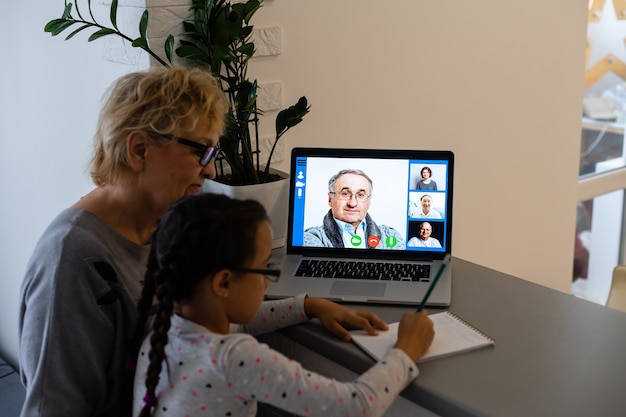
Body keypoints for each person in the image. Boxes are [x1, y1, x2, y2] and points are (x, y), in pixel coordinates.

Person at [18, 66, 231, 417]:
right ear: (140, 149)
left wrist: (304, 306)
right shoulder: (72, 261)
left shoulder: (163, 226)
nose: (210, 170)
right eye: (201, 152)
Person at [132, 193, 435, 417]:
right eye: (265, 268)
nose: (269, 281)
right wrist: (406, 350)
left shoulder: (163, 330)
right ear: (223, 283)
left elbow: (244, 321)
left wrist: (310, 305)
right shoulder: (234, 357)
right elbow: (355, 406)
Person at [303, 169, 404, 249]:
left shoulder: (391, 235)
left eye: (360, 195)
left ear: (369, 202)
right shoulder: (313, 237)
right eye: (345, 194)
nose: (352, 203)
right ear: (330, 199)